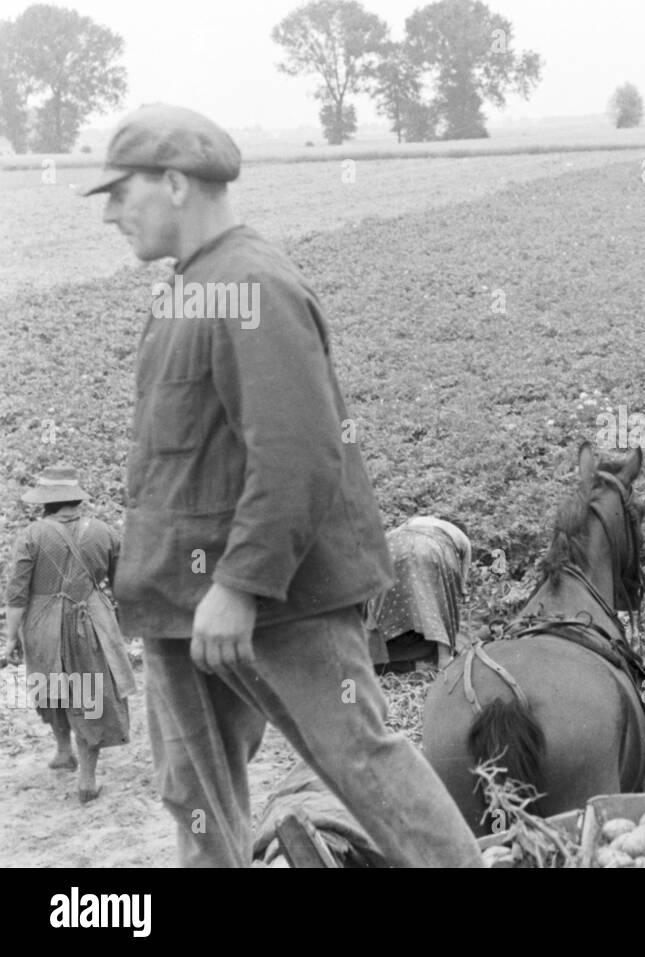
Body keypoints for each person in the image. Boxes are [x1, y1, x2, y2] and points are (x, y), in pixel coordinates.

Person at [83, 103, 482, 867]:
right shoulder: (191, 287)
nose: (109, 214)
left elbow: (299, 453)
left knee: (363, 765)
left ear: (173, 183)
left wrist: (239, 582)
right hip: (180, 607)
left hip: (274, 600)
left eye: (119, 192)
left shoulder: (251, 283)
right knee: (196, 802)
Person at [2, 465, 137, 803]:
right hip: (91, 621)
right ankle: (86, 778)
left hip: (42, 625)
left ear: (45, 502)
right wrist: (121, 624)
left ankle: (63, 749)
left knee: (49, 687)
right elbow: (123, 586)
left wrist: (9, 638)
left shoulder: (31, 536)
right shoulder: (105, 532)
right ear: (76, 498)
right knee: (89, 694)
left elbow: (17, 595)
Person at [366, 517, 472, 674]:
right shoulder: (461, 540)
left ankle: (370, 656)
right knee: (438, 601)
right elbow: (459, 590)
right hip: (429, 550)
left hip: (389, 547)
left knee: (379, 607)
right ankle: (444, 662)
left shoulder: (418, 521)